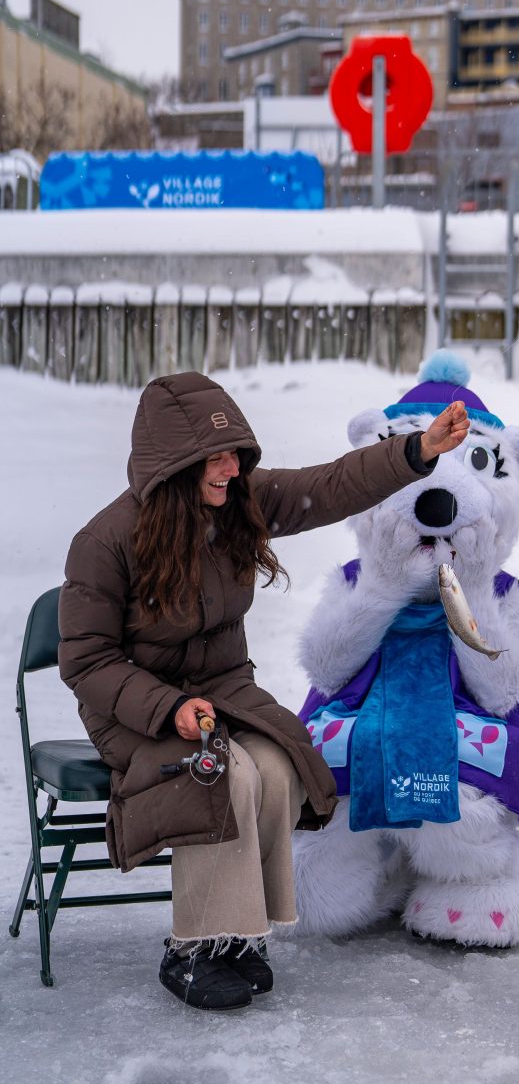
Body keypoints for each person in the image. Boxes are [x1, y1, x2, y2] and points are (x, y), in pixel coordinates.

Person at [58, 370, 469, 1011]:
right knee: (222, 775)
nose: (229, 469)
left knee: (276, 768)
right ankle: (196, 946)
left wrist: (415, 453)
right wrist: (167, 707)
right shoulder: (105, 542)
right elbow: (87, 661)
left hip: (224, 691)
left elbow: (331, 485)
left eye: (236, 455)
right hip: (136, 710)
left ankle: (244, 935)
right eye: (214, 458)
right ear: (173, 464)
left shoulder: (239, 503)